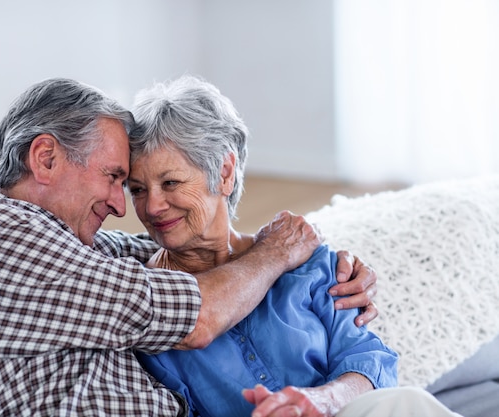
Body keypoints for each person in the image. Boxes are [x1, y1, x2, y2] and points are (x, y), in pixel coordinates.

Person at [0, 78, 378, 416]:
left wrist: (313, 256)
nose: (125, 205)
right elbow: (195, 315)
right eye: (122, 181)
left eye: (167, 182)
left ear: (224, 172)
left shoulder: (59, 246)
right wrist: (276, 252)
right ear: (46, 158)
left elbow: (151, 252)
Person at [129, 75, 462, 417]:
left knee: (407, 402)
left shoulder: (307, 262)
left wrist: (324, 400)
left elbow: (368, 361)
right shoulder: (150, 304)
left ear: (225, 173)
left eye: (170, 183)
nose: (152, 207)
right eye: (137, 190)